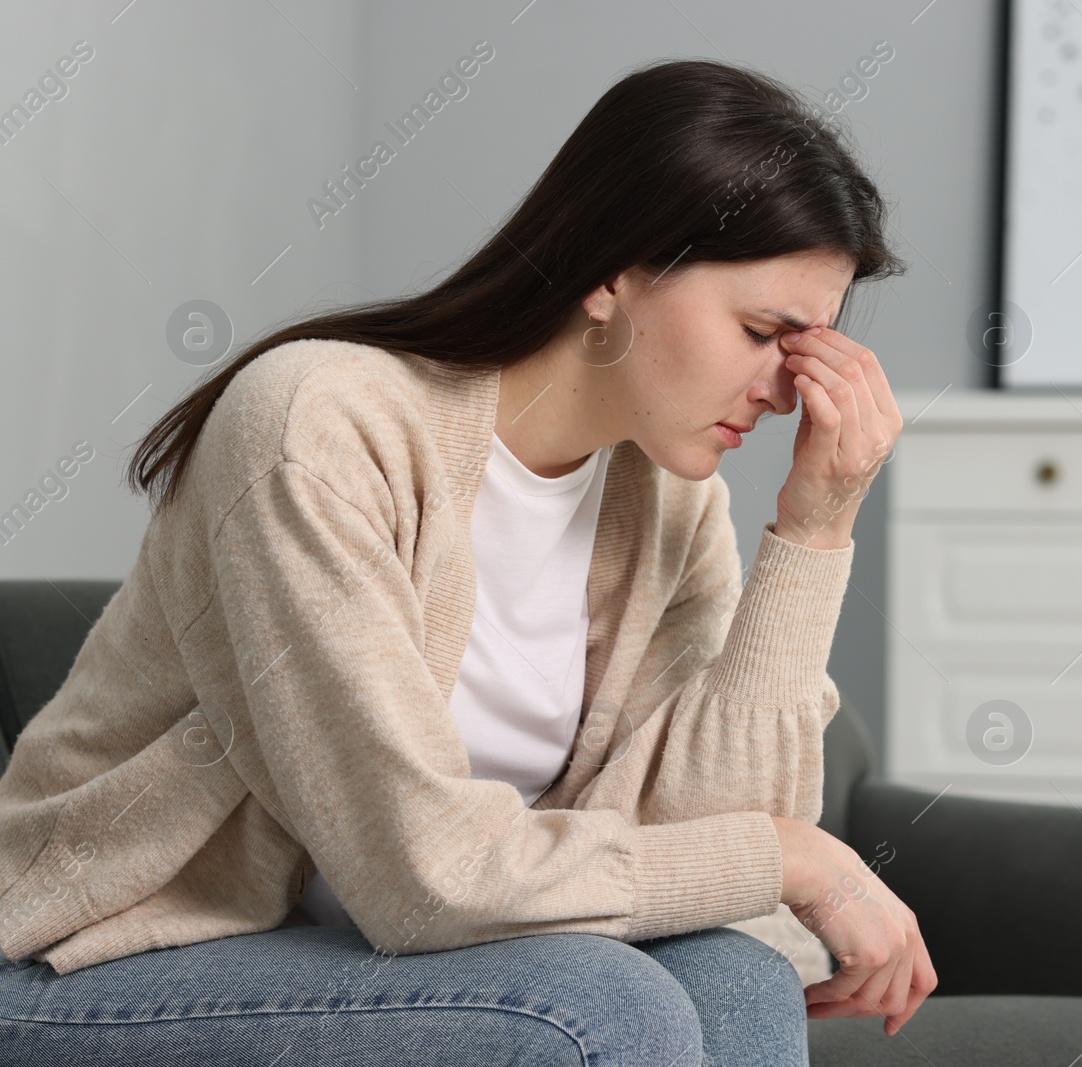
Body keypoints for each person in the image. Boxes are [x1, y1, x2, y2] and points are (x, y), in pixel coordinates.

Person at [0, 56, 935, 1065]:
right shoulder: (322, 425)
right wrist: (789, 858)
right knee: (606, 1007)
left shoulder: (671, 503)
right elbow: (423, 874)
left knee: (733, 976)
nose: (788, 391)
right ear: (613, 273)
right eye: (763, 332)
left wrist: (813, 531)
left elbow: (688, 854)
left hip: (376, 955)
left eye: (808, 351)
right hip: (91, 961)